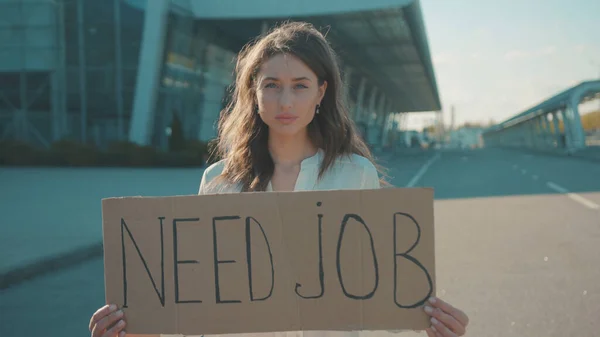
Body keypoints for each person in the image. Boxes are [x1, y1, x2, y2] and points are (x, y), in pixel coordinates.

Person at [89, 21, 469, 337]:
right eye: (271, 84)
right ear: (253, 92)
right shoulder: (219, 181)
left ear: (321, 92)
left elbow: (378, 293)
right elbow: (201, 306)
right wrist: (138, 327)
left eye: (300, 85)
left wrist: (430, 322)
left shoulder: (356, 174)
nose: (285, 101)